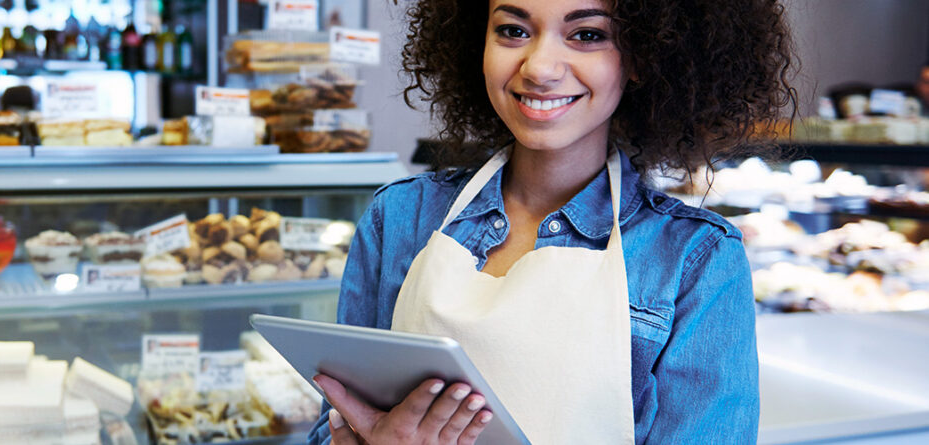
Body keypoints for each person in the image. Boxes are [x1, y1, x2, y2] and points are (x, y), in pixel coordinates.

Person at [308, 0, 796, 443]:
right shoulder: (399, 218)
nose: (539, 68)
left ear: (645, 57)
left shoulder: (695, 260)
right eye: (513, 30)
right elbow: (335, 422)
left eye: (587, 35)